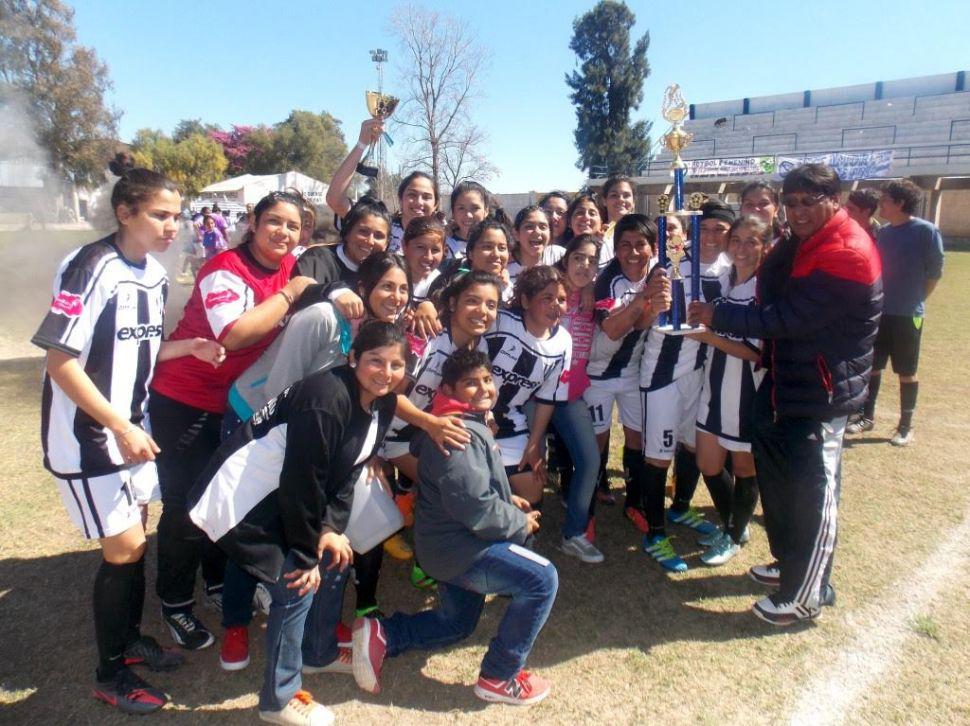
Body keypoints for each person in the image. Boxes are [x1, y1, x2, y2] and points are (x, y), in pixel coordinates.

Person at [31, 156, 224, 714]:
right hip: (90, 438)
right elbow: (60, 362)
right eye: (161, 216)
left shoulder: (157, 275)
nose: (173, 227)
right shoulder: (90, 265)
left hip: (132, 433)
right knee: (124, 550)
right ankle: (109, 672)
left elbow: (136, 349)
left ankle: (130, 642)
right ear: (125, 212)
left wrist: (187, 347)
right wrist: (117, 426)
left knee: (136, 543)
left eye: (177, 216)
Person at [689, 162, 882, 625]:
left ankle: (807, 594)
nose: (797, 212)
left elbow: (786, 319)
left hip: (821, 390)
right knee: (781, 483)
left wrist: (717, 318)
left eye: (808, 202)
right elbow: (771, 284)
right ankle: (789, 565)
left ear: (834, 200)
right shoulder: (800, 242)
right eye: (791, 203)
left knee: (814, 491)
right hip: (787, 380)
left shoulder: (846, 250)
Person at [189, 322, 408, 725]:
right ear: (353, 358)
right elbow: (301, 481)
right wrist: (305, 554)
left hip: (287, 492)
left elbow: (350, 470)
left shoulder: (384, 402)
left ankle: (318, 653)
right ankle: (279, 699)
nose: (386, 372)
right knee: (295, 584)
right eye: (376, 360)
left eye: (396, 364)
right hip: (246, 495)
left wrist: (331, 529)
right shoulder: (326, 398)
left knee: (335, 556)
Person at [149, 191, 317, 651]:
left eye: (293, 225)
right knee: (185, 506)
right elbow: (236, 332)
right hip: (183, 398)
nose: (284, 232)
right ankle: (176, 602)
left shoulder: (292, 264)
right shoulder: (225, 267)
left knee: (224, 495)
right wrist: (289, 294)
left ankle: (217, 579)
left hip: (233, 402)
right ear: (253, 222)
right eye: (274, 222)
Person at [351, 348, 557, 706]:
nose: (483, 389)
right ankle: (499, 676)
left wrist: (507, 499)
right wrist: (517, 522)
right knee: (541, 580)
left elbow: (475, 487)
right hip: (462, 548)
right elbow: (473, 505)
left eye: (487, 380)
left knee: (457, 623)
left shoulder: (464, 421)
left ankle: (384, 633)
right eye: (470, 384)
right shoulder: (457, 433)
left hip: (448, 545)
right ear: (448, 388)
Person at [637, 202, 733, 572]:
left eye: (718, 231)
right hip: (663, 372)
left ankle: (679, 507)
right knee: (658, 454)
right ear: (694, 231)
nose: (710, 237)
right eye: (704, 229)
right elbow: (651, 309)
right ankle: (655, 534)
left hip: (700, 371)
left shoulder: (729, 269)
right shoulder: (674, 265)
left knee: (692, 445)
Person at [690, 215, 771, 566]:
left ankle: (734, 534)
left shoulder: (763, 290)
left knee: (743, 466)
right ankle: (734, 522)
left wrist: (706, 336)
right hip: (714, 382)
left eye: (751, 241)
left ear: (764, 247)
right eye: (735, 239)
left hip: (744, 389)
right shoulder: (722, 280)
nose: (741, 247)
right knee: (707, 463)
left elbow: (756, 352)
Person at [584, 215, 665, 534]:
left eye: (640, 244)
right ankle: (586, 510)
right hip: (598, 375)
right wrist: (645, 298)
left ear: (653, 247)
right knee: (597, 441)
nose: (633, 252)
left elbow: (643, 324)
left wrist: (649, 309)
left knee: (637, 438)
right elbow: (613, 329)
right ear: (615, 250)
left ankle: (634, 503)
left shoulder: (661, 271)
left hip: (633, 372)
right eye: (625, 245)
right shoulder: (607, 281)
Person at [847, 179, 944, 446]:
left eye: (886, 200)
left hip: (907, 314)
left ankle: (905, 425)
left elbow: (934, 274)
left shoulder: (926, 231)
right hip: (880, 312)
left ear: (900, 203)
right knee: (873, 367)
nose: (882, 204)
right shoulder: (885, 233)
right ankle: (867, 417)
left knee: (906, 371)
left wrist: (917, 300)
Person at [485, 265, 572, 506]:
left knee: (533, 493)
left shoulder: (563, 342)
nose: (557, 305)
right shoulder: (500, 322)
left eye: (562, 299)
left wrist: (534, 445)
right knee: (481, 484)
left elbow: (547, 397)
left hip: (512, 422)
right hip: (474, 417)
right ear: (525, 300)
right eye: (547, 298)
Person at [326, 118, 438, 252]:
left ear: (436, 204)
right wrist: (362, 144)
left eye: (426, 197)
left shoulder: (443, 239)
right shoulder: (381, 227)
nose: (419, 202)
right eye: (412, 194)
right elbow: (335, 199)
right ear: (400, 199)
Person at [507, 205, 565, 290]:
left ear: (550, 233)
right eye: (529, 226)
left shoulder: (559, 255)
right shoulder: (505, 268)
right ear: (516, 234)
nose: (537, 232)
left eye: (543, 227)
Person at [400, 215, 446, 305]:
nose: (429, 257)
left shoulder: (443, 284)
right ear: (404, 246)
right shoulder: (388, 276)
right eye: (420, 247)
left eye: (435, 250)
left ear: (444, 251)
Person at [563, 191, 610, 269]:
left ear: (601, 221)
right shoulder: (560, 254)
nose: (586, 217)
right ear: (570, 222)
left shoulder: (611, 251)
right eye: (580, 213)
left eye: (592, 213)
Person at [600, 176, 637, 259]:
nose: (621, 200)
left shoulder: (644, 234)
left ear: (633, 202)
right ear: (604, 201)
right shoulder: (598, 234)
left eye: (626, 195)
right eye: (614, 195)